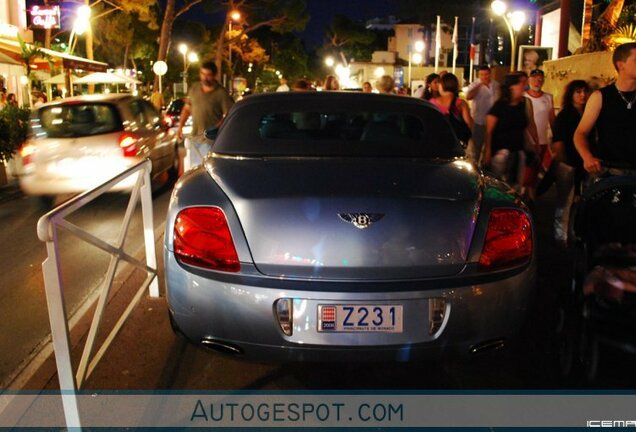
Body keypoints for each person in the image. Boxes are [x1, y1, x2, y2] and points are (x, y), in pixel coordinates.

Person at [574, 42, 636, 174]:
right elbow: (580, 133)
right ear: (621, 65)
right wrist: (587, 157)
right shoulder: (600, 96)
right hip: (610, 169)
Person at [550, 80, 592, 245]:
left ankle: (575, 231)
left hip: (585, 164)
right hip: (568, 162)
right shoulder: (566, 115)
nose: (582, 95)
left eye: (585, 92)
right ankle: (560, 235)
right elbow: (558, 140)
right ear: (571, 95)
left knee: (580, 199)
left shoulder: (589, 113)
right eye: (578, 92)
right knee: (565, 201)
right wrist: (563, 160)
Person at [484, 72, 539, 191]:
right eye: (522, 83)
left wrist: (536, 143)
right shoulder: (499, 106)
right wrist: (487, 152)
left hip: (518, 152)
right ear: (511, 86)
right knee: (500, 186)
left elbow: (529, 125)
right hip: (501, 153)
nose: (525, 86)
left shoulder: (524, 104)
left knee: (516, 187)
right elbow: (489, 131)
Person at [177, 61, 234, 170]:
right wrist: (180, 126)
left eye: (208, 75)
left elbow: (228, 115)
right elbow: (187, 108)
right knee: (195, 170)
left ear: (214, 76)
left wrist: (216, 128)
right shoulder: (194, 88)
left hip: (210, 141)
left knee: (206, 171)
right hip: (195, 139)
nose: (205, 78)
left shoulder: (221, 93)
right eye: (203, 74)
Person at [523, 69, 556, 200]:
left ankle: (531, 195)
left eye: (540, 78)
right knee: (526, 169)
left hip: (542, 141)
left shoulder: (548, 97)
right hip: (527, 141)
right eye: (535, 78)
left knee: (536, 169)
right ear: (529, 79)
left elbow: (552, 119)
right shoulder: (524, 97)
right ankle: (525, 195)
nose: (538, 81)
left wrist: (556, 138)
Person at [465, 65, 500, 165]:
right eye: (481, 75)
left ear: (490, 74)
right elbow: (468, 96)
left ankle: (486, 168)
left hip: (493, 121)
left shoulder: (496, 84)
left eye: (486, 74)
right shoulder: (475, 85)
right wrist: (480, 85)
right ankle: (474, 168)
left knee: (490, 147)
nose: (484, 77)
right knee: (476, 147)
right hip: (479, 121)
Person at [429, 73, 473, 142]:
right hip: (455, 142)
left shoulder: (432, 102)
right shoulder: (461, 103)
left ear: (442, 85)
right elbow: (469, 124)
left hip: (437, 141)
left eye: (439, 84)